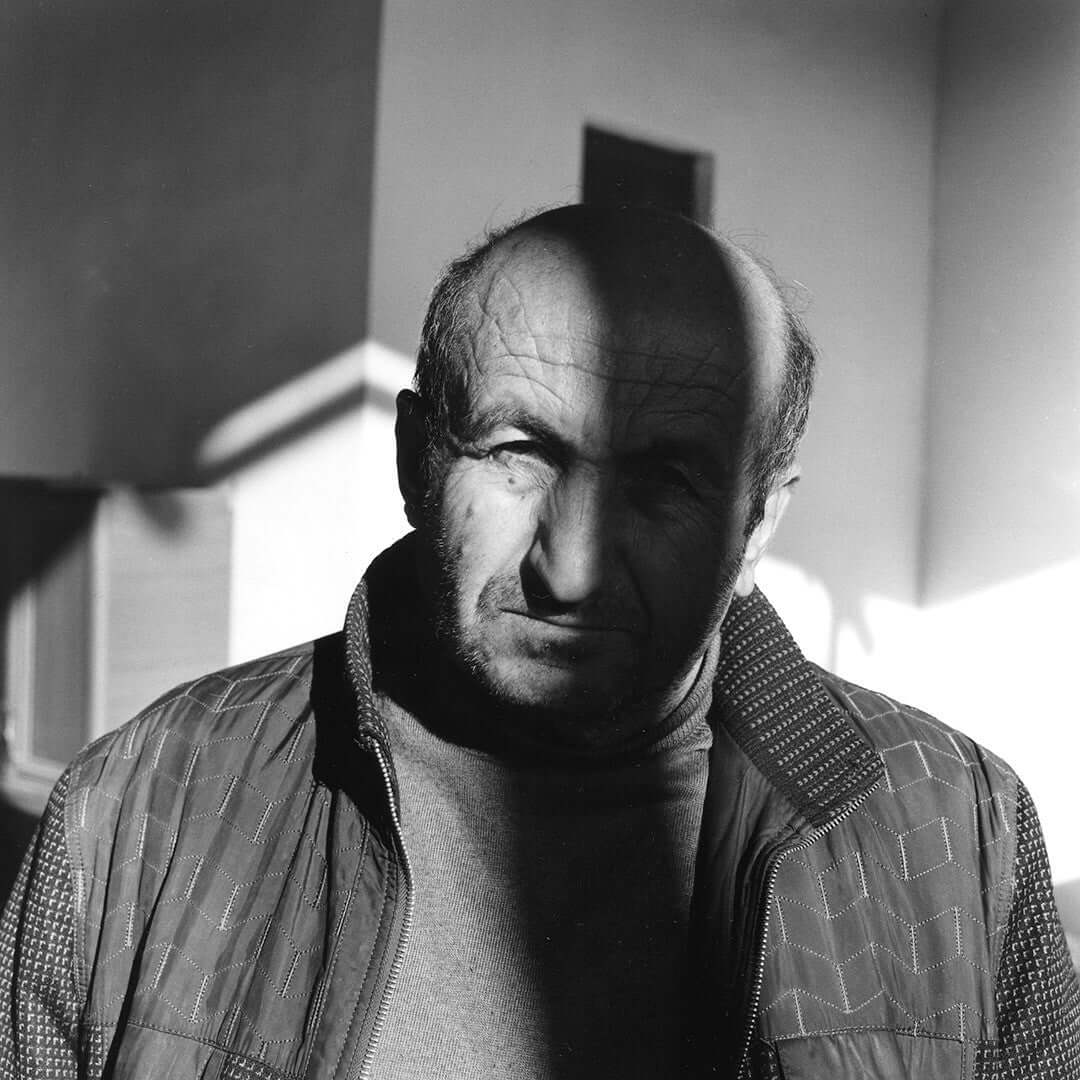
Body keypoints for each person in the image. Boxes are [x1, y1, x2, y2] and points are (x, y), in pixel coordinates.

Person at [2, 204, 1077, 1079]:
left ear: (759, 524)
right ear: (419, 459)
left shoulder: (955, 830)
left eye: (665, 483)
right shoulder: (142, 802)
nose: (570, 568)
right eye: (518, 453)